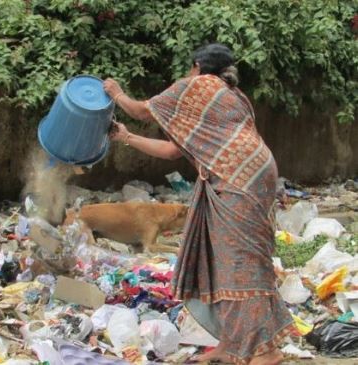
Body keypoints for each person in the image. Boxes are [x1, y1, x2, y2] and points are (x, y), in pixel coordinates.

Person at [103, 43, 294, 365]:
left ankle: (265, 351)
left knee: (239, 264)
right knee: (221, 261)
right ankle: (231, 345)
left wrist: (116, 92)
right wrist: (126, 137)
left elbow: (139, 110)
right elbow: (171, 151)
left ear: (197, 66)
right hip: (250, 173)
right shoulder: (232, 95)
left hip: (236, 180)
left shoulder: (197, 86)